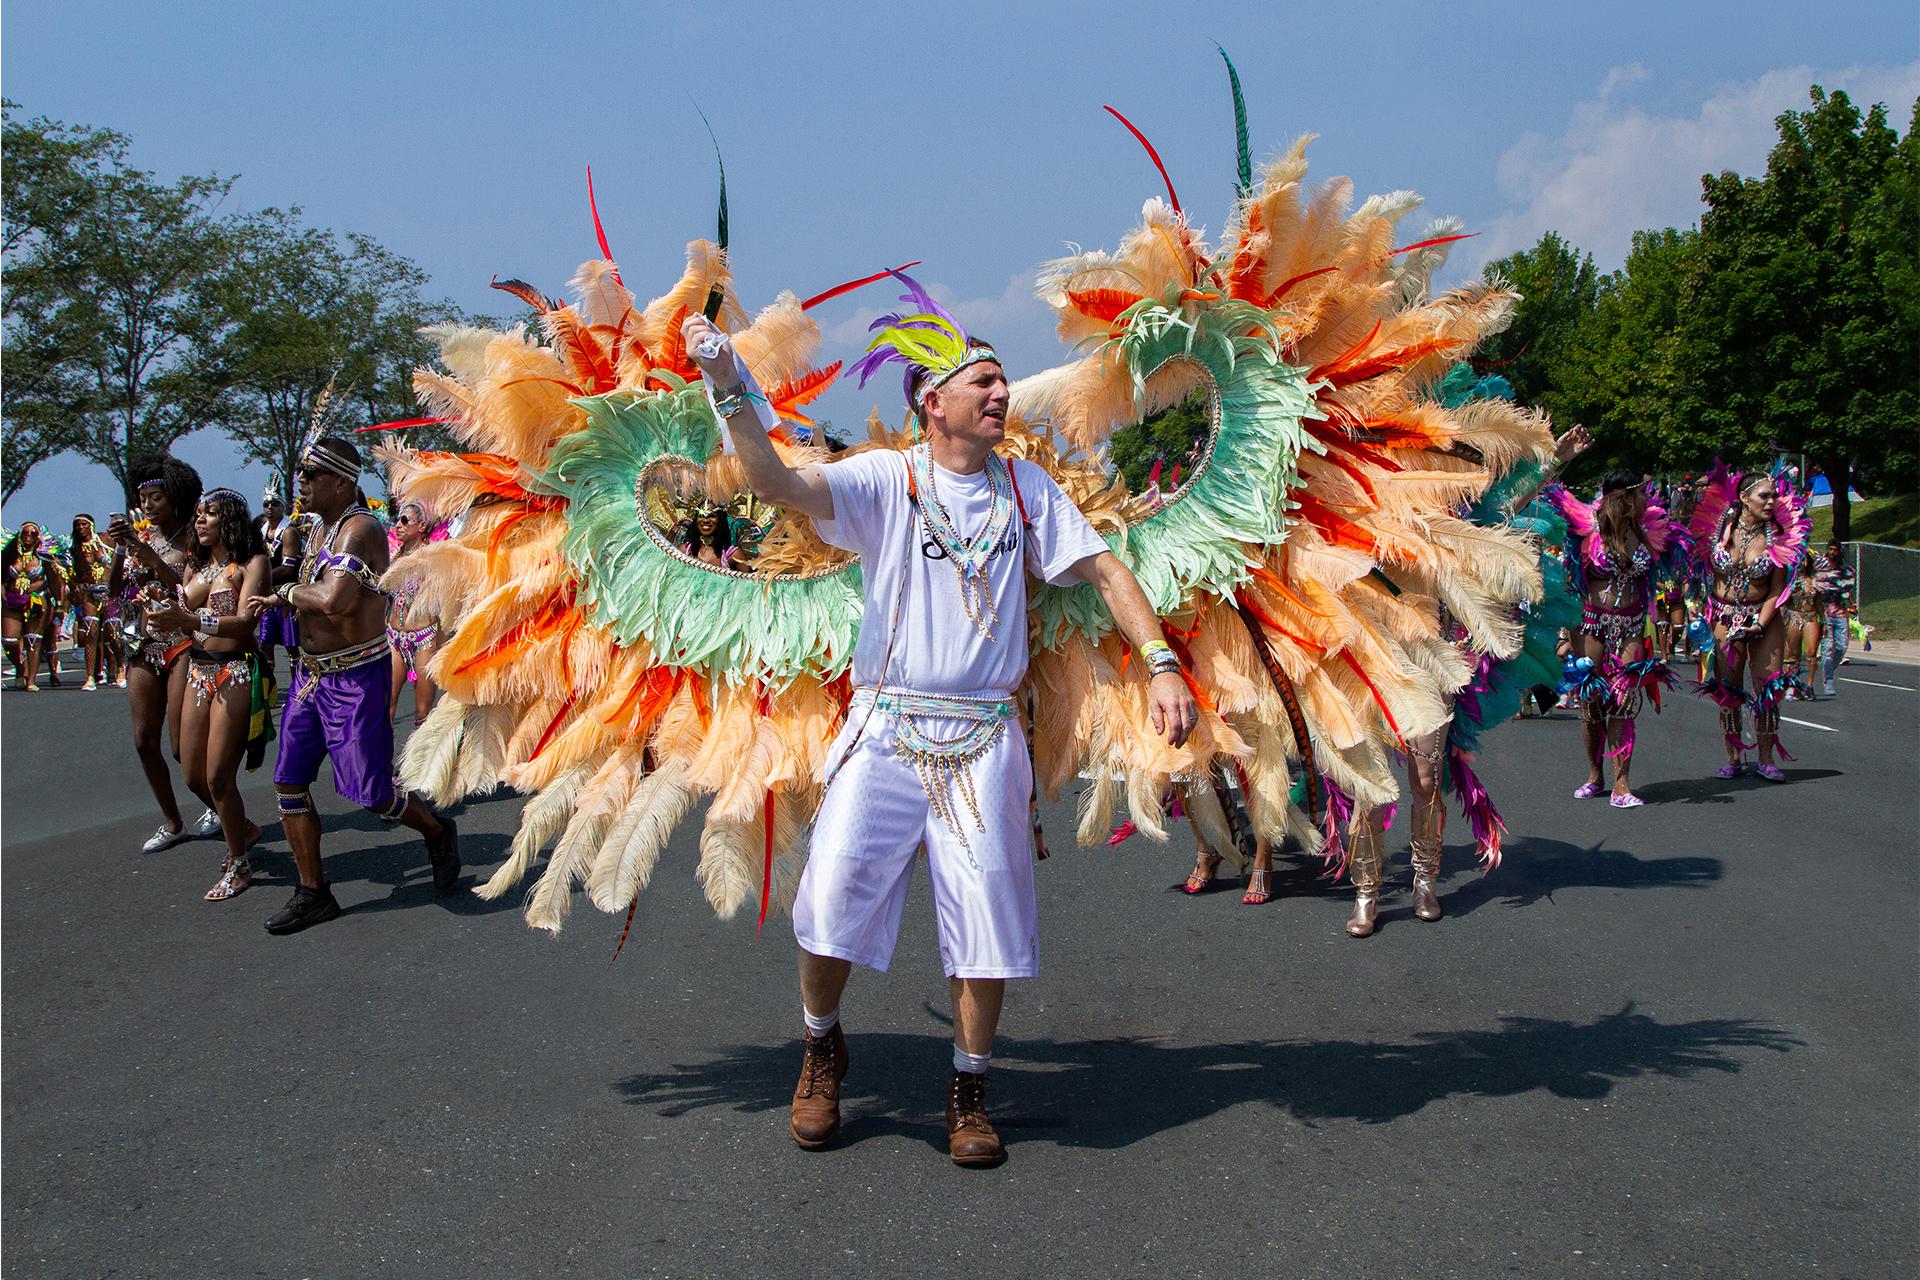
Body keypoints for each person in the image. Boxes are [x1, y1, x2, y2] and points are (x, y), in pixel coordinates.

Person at [683, 297, 1197, 1169]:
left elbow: (1106, 569)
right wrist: (729, 385)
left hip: (985, 737)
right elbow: (777, 484)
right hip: (885, 728)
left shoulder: (1028, 491)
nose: (1002, 393)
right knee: (830, 900)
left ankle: (968, 1087)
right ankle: (821, 1046)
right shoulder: (889, 480)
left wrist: (1161, 662)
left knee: (986, 917)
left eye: (1001, 380)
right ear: (936, 403)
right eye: (983, 381)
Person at [244, 435, 460, 935]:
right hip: (308, 677)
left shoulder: (359, 528)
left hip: (353, 678)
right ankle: (314, 892)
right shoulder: (319, 530)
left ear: (342, 482)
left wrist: (284, 591)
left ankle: (434, 828)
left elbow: (336, 598)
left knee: (373, 794)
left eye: (311, 475)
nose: (302, 482)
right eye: (300, 473)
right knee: (289, 783)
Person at [144, 489, 271, 899]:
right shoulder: (197, 568)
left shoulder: (252, 564)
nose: (199, 521)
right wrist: (162, 609)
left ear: (228, 520)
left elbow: (246, 622)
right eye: (198, 514)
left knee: (218, 776)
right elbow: (183, 616)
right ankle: (245, 829)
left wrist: (190, 616)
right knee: (190, 771)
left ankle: (239, 865)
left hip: (234, 671)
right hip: (198, 670)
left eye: (209, 514)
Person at [107, 456, 222, 851]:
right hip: (143, 645)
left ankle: (221, 806)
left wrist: (144, 552)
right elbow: (112, 589)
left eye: (156, 497)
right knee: (143, 741)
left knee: (180, 745)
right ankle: (173, 822)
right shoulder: (146, 538)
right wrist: (123, 549)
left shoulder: (195, 540)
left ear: (175, 499)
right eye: (143, 499)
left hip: (182, 645)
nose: (148, 506)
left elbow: (185, 588)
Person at [1547, 469, 1681, 809]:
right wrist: (1563, 635)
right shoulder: (1585, 528)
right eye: (1641, 495)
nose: (1647, 500)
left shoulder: (1645, 531)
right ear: (1625, 498)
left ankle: (1622, 785)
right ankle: (1595, 775)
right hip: (1590, 624)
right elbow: (1569, 585)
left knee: (1623, 702)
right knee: (1593, 706)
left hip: (1631, 624)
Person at [1691, 467, 1806, 782]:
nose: (1770, 502)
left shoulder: (1780, 535)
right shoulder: (1718, 529)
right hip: (1724, 618)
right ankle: (1733, 757)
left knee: (1767, 690)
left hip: (1763, 620)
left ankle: (1766, 760)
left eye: (1773, 496)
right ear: (1744, 498)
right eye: (1763, 496)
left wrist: (1759, 623)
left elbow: (1776, 590)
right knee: (1728, 692)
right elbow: (1704, 574)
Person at [386, 500, 443, 726]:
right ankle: (380, 760)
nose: (398, 525)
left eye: (405, 520)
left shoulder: (433, 558)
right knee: (385, 706)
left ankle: (419, 760)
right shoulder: (393, 555)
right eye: (397, 520)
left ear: (421, 526)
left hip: (423, 638)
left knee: (422, 713)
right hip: (393, 638)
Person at [4, 523, 65, 691]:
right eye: (25, 532)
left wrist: (59, 606)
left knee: (33, 640)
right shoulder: (9, 556)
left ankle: (31, 680)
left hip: (38, 600)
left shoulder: (44, 557)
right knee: (9, 640)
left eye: (33, 533)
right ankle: (20, 667)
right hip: (13, 600)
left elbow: (55, 582)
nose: (28, 535)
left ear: (38, 536)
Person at [66, 516, 121, 689]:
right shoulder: (76, 548)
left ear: (91, 525)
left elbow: (121, 558)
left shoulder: (105, 539)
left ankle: (120, 668)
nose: (80, 527)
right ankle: (90, 677)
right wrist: (76, 586)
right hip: (89, 593)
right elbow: (73, 574)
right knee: (90, 632)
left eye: (84, 524)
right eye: (77, 525)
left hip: (109, 592)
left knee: (113, 633)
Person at [1815, 539, 1855, 697]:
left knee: (1841, 647)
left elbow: (1846, 589)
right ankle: (1828, 681)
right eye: (1830, 549)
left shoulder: (1846, 569)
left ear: (1839, 551)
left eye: (1835, 550)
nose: (1833, 552)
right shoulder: (1819, 566)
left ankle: (1829, 668)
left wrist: (1851, 603)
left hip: (1840, 614)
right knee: (1827, 648)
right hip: (1824, 614)